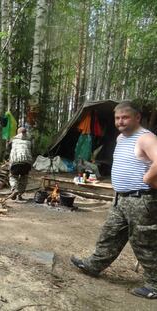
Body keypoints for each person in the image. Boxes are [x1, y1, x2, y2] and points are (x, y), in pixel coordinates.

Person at [71, 101, 157, 299]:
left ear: (137, 117)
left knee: (145, 243)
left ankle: (155, 284)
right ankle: (94, 265)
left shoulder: (146, 138)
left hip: (141, 200)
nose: (120, 121)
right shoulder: (121, 138)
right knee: (110, 234)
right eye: (117, 118)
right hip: (122, 198)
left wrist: (148, 179)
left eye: (125, 117)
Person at [9, 126, 33, 202]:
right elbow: (31, 150)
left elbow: (8, 149)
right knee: (24, 178)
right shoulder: (29, 141)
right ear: (26, 133)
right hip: (27, 162)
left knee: (13, 176)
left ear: (17, 133)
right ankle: (20, 195)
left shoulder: (13, 140)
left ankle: (14, 189)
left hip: (16, 161)